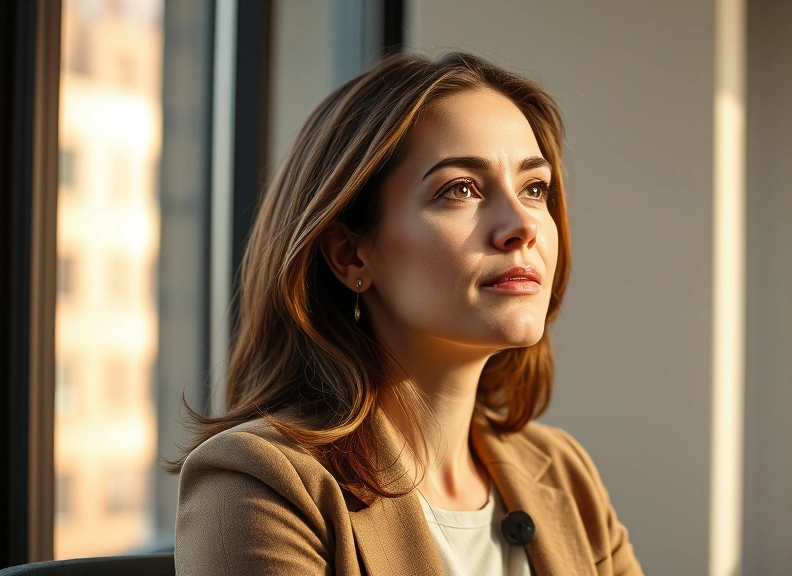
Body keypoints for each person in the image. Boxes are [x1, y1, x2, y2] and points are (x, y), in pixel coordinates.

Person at [171, 51, 643, 576]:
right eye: (460, 189)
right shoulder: (259, 484)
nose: (523, 224)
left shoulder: (564, 474)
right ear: (351, 254)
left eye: (535, 189)